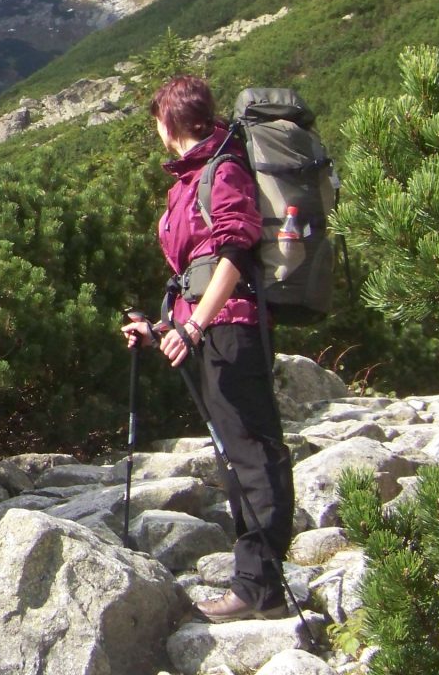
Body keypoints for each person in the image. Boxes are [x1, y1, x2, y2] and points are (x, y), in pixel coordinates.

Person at [121, 75, 295, 623]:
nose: (156, 131)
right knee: (235, 454)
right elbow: (193, 270)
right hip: (210, 330)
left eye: (157, 121)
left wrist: (194, 327)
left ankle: (260, 587)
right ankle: (254, 578)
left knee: (251, 452)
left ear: (169, 123)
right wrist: (159, 329)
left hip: (231, 331)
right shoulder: (192, 177)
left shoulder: (224, 168)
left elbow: (236, 252)